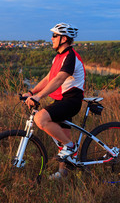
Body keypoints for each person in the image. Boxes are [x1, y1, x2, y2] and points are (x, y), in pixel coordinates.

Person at [23, 22, 85, 179]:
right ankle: (63, 172)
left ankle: (71, 147)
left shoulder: (70, 56)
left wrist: (38, 97)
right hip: (61, 100)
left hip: (71, 101)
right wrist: (32, 91)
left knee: (40, 118)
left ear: (63, 38)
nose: (51, 38)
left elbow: (59, 79)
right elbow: (48, 78)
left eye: (54, 36)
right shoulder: (58, 57)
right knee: (61, 138)